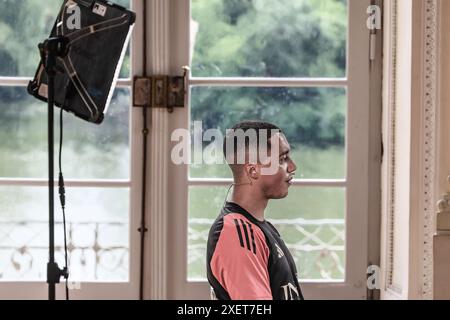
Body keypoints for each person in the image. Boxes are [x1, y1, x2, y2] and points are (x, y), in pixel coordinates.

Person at [206, 120, 304, 300]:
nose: (292, 167)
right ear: (253, 170)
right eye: (282, 159)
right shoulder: (237, 233)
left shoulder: (257, 227)